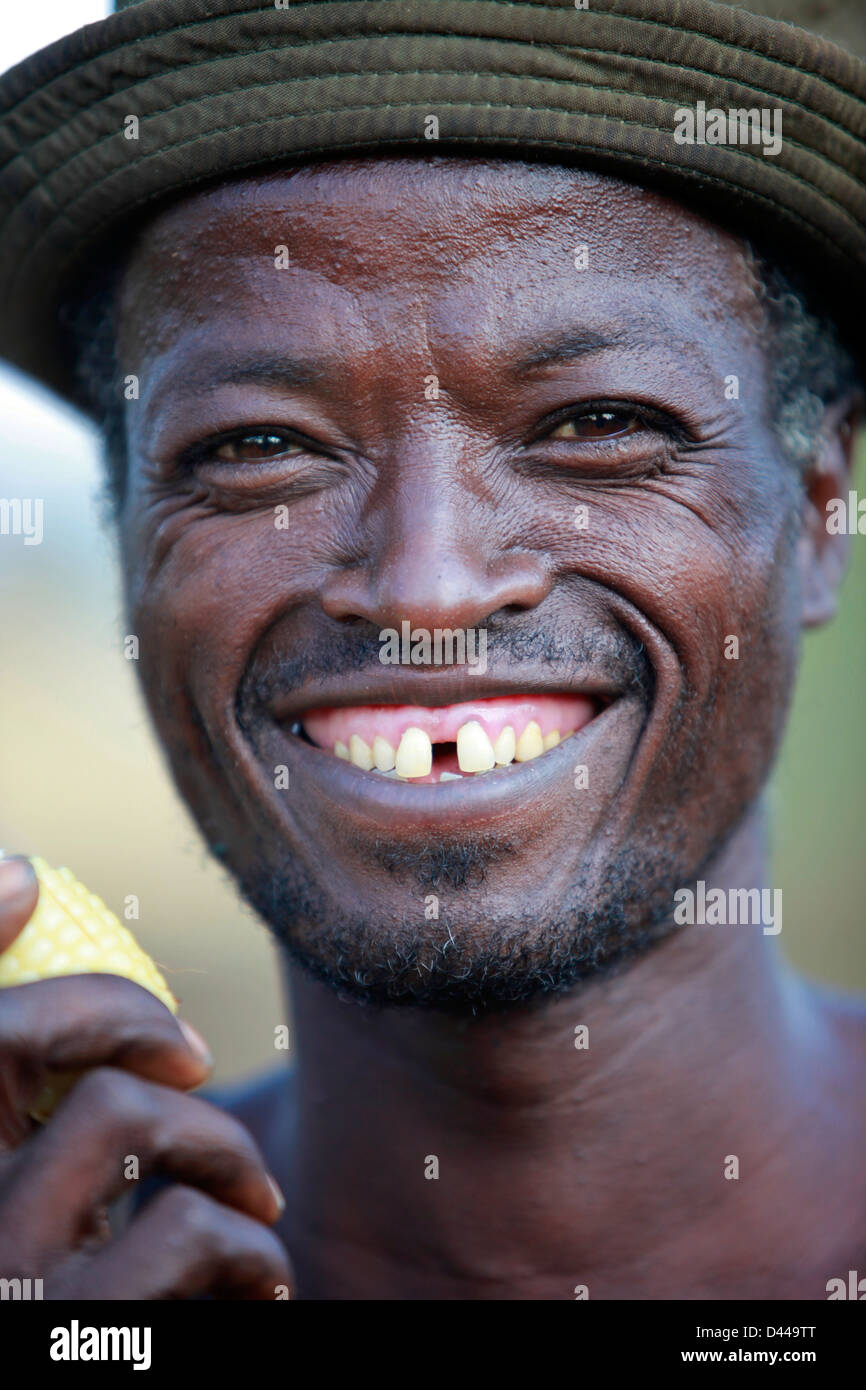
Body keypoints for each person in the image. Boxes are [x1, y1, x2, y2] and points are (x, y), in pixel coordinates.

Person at [0, 0, 864, 1300]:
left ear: (816, 509)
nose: (426, 585)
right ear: (126, 535)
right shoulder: (68, 1277)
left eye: (596, 422)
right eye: (257, 448)